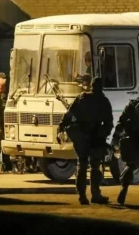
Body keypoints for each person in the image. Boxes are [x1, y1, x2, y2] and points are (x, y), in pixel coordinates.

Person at [58, 77, 113, 205]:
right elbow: (109, 122)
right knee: (95, 167)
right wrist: (104, 134)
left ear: (91, 86)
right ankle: (95, 194)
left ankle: (82, 195)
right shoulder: (104, 101)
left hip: (82, 136)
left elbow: (69, 114)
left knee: (82, 165)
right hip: (96, 137)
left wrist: (61, 126)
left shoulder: (82, 98)